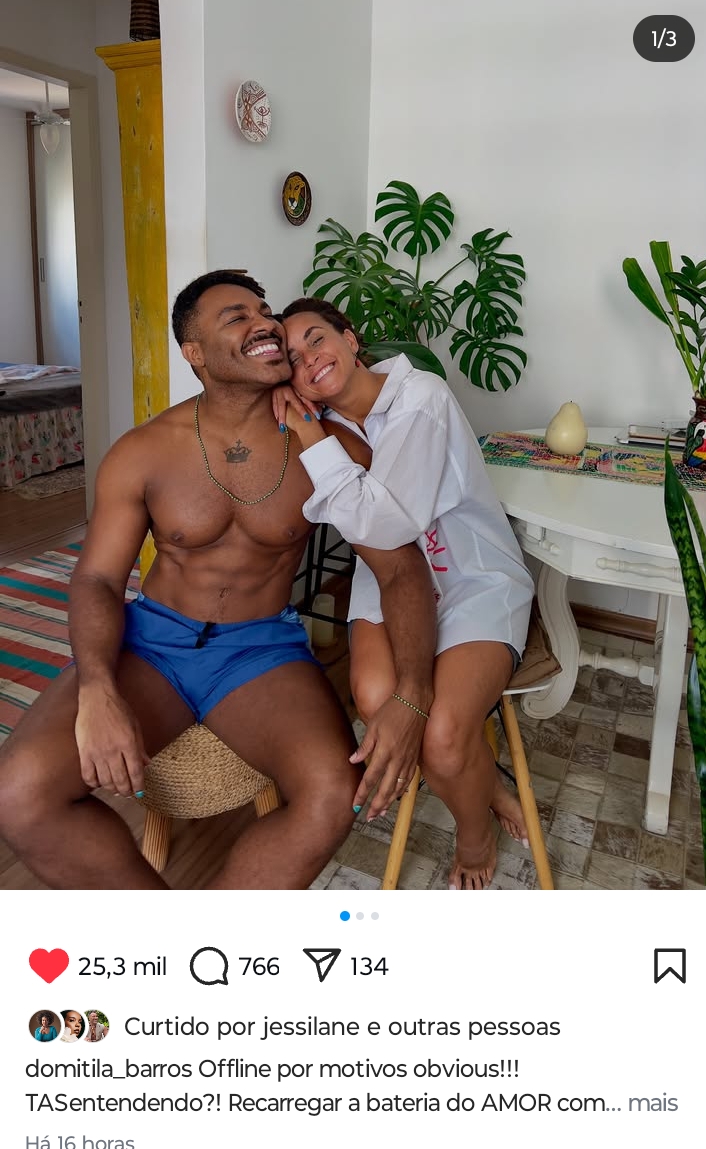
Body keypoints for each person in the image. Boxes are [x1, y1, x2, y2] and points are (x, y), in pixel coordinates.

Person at [0, 272, 436, 891]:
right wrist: (97, 687)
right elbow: (96, 578)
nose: (265, 324)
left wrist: (411, 694)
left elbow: (400, 567)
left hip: (262, 649)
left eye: (264, 311)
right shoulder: (143, 451)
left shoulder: (326, 446)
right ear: (194, 352)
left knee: (334, 795)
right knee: (18, 794)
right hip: (151, 644)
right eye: (237, 317)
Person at [276, 298, 536, 890]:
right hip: (390, 578)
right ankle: (487, 783)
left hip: (470, 573)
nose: (309, 359)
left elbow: (386, 523)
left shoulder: (420, 398)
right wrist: (314, 429)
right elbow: (385, 548)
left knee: (440, 737)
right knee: (373, 697)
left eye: (316, 339)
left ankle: (475, 831)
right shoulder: (328, 424)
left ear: (349, 339)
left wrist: (312, 435)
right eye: (292, 358)